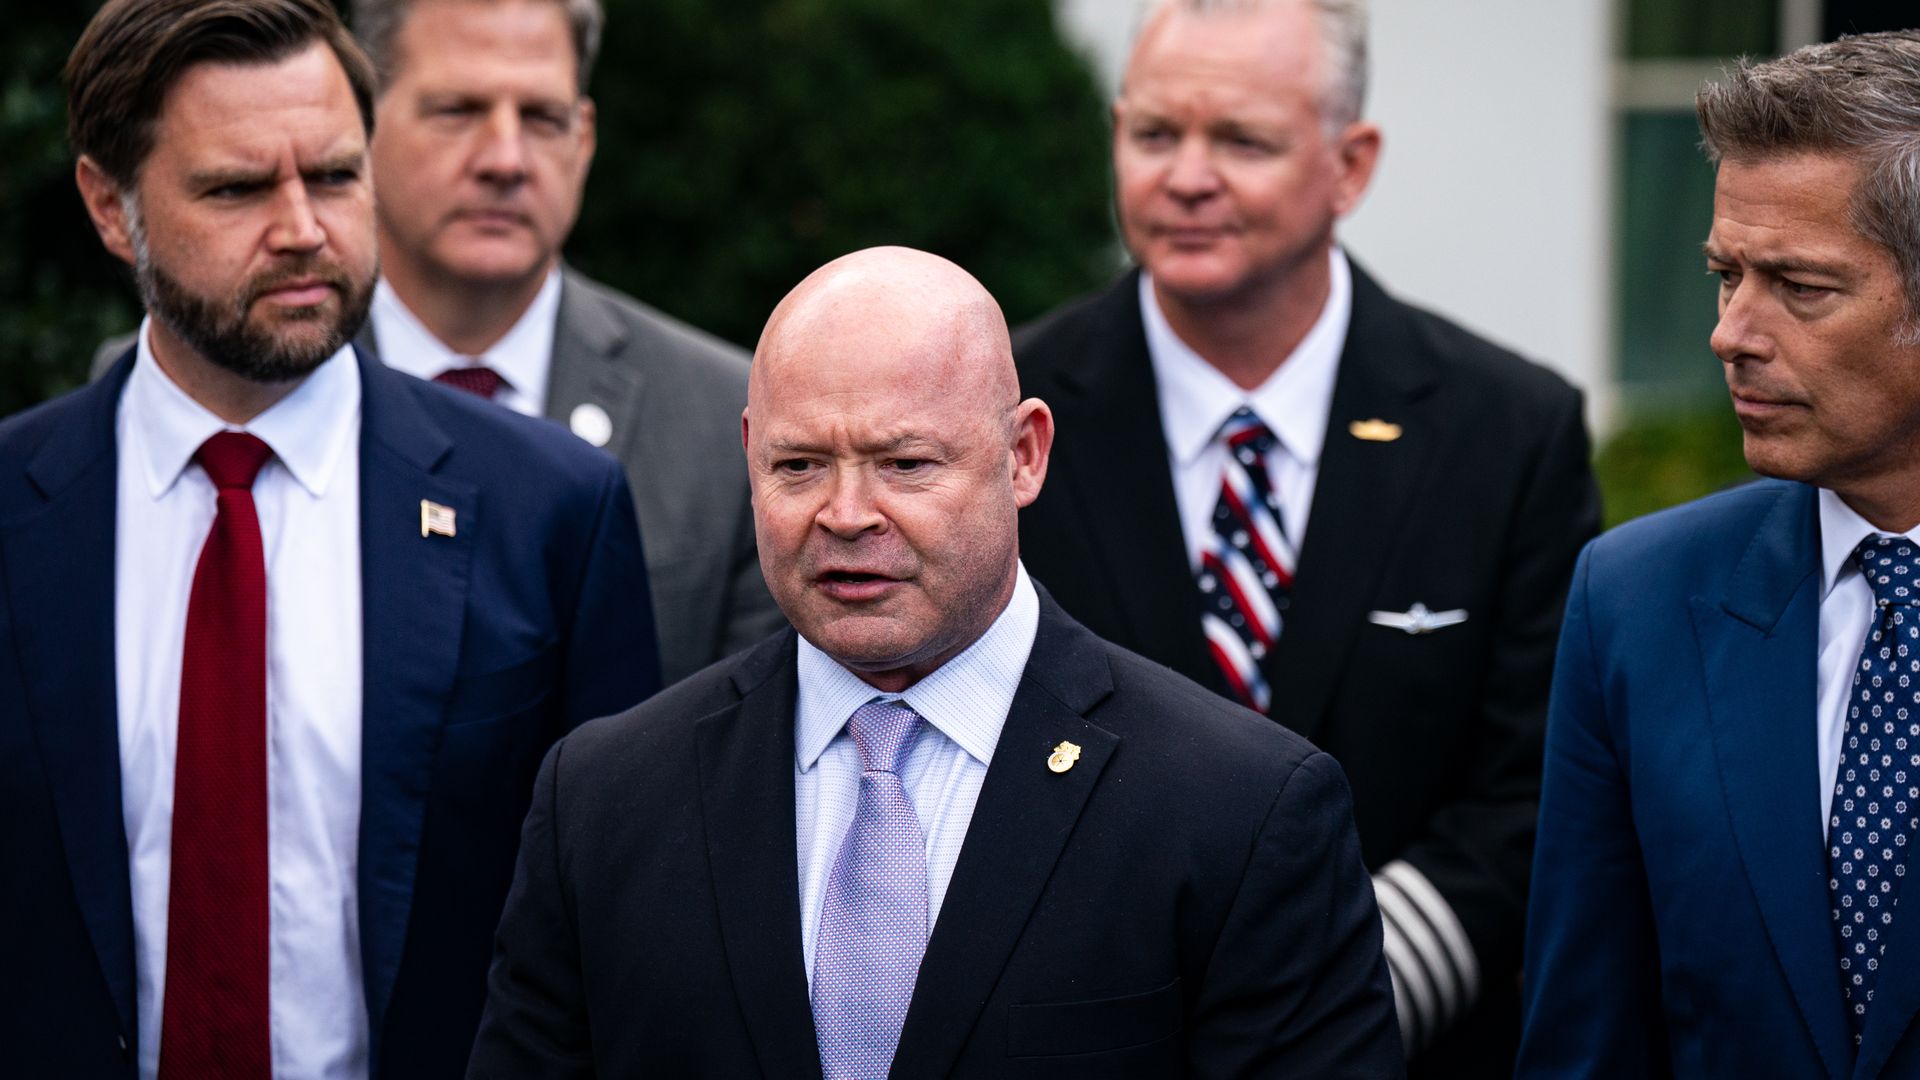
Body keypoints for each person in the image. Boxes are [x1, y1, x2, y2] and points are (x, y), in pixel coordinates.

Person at [467, 246, 1404, 1078]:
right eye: (799, 466)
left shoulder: (1241, 810)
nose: (845, 515)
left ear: (1024, 455)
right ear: (749, 455)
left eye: (905, 464)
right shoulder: (604, 800)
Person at [0, 0, 661, 1074]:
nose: (304, 227)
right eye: (237, 188)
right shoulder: (19, 508)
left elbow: (626, 931)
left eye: (336, 175)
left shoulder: (551, 510)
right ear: (109, 207)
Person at [1011, 0, 1599, 1069]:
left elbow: (1535, 792)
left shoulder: (1508, 432)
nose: (1188, 177)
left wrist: (1325, 1006)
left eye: (1243, 140)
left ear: (1351, 165)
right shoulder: (1006, 416)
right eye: (1155, 134)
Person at [1520, 31, 1920, 1078]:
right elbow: (1586, 1034)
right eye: (1725, 275)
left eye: (1799, 286)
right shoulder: (1635, 600)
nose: (1731, 333)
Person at [352, 0, 781, 683]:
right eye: (457, 110)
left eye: (542, 118)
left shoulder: (729, 423)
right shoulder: (257, 389)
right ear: (360, 122)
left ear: (583, 139)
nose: (505, 159)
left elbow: (747, 732)